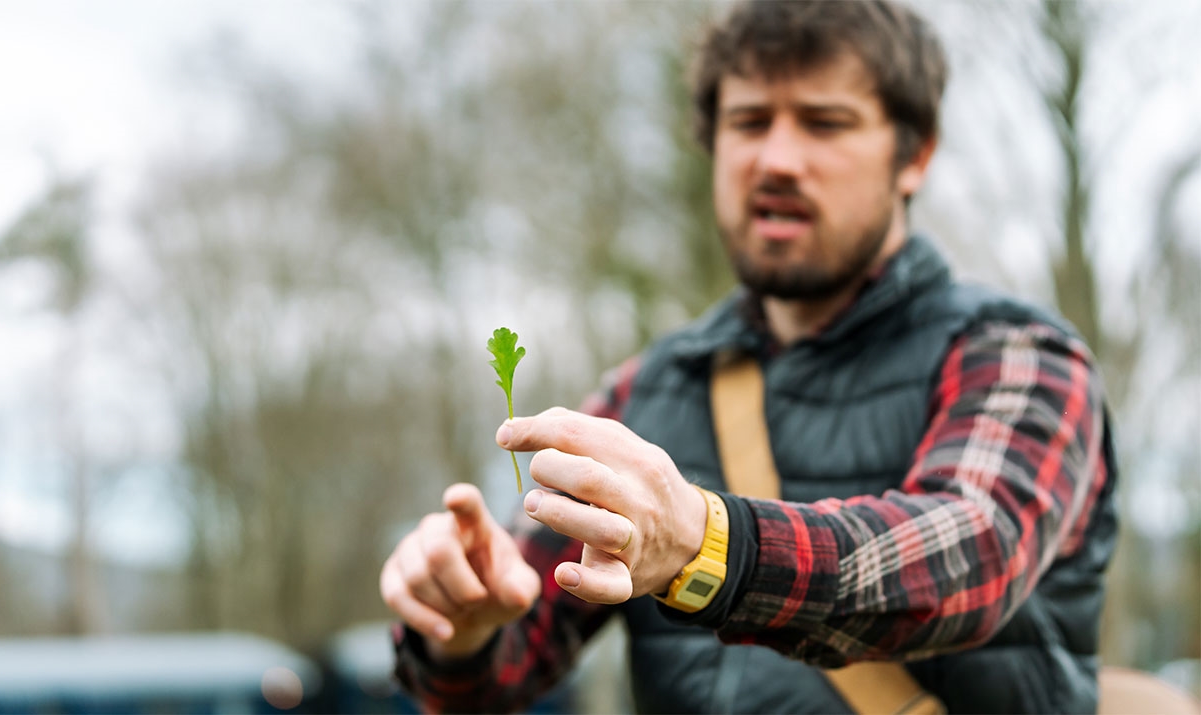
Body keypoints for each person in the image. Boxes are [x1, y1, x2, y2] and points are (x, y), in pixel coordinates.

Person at [379, 1, 1118, 712]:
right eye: (749, 121)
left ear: (914, 155)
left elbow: (970, 558)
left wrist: (703, 543)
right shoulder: (649, 391)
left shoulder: (1020, 357)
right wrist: (462, 628)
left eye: (826, 123)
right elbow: (494, 675)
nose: (777, 158)